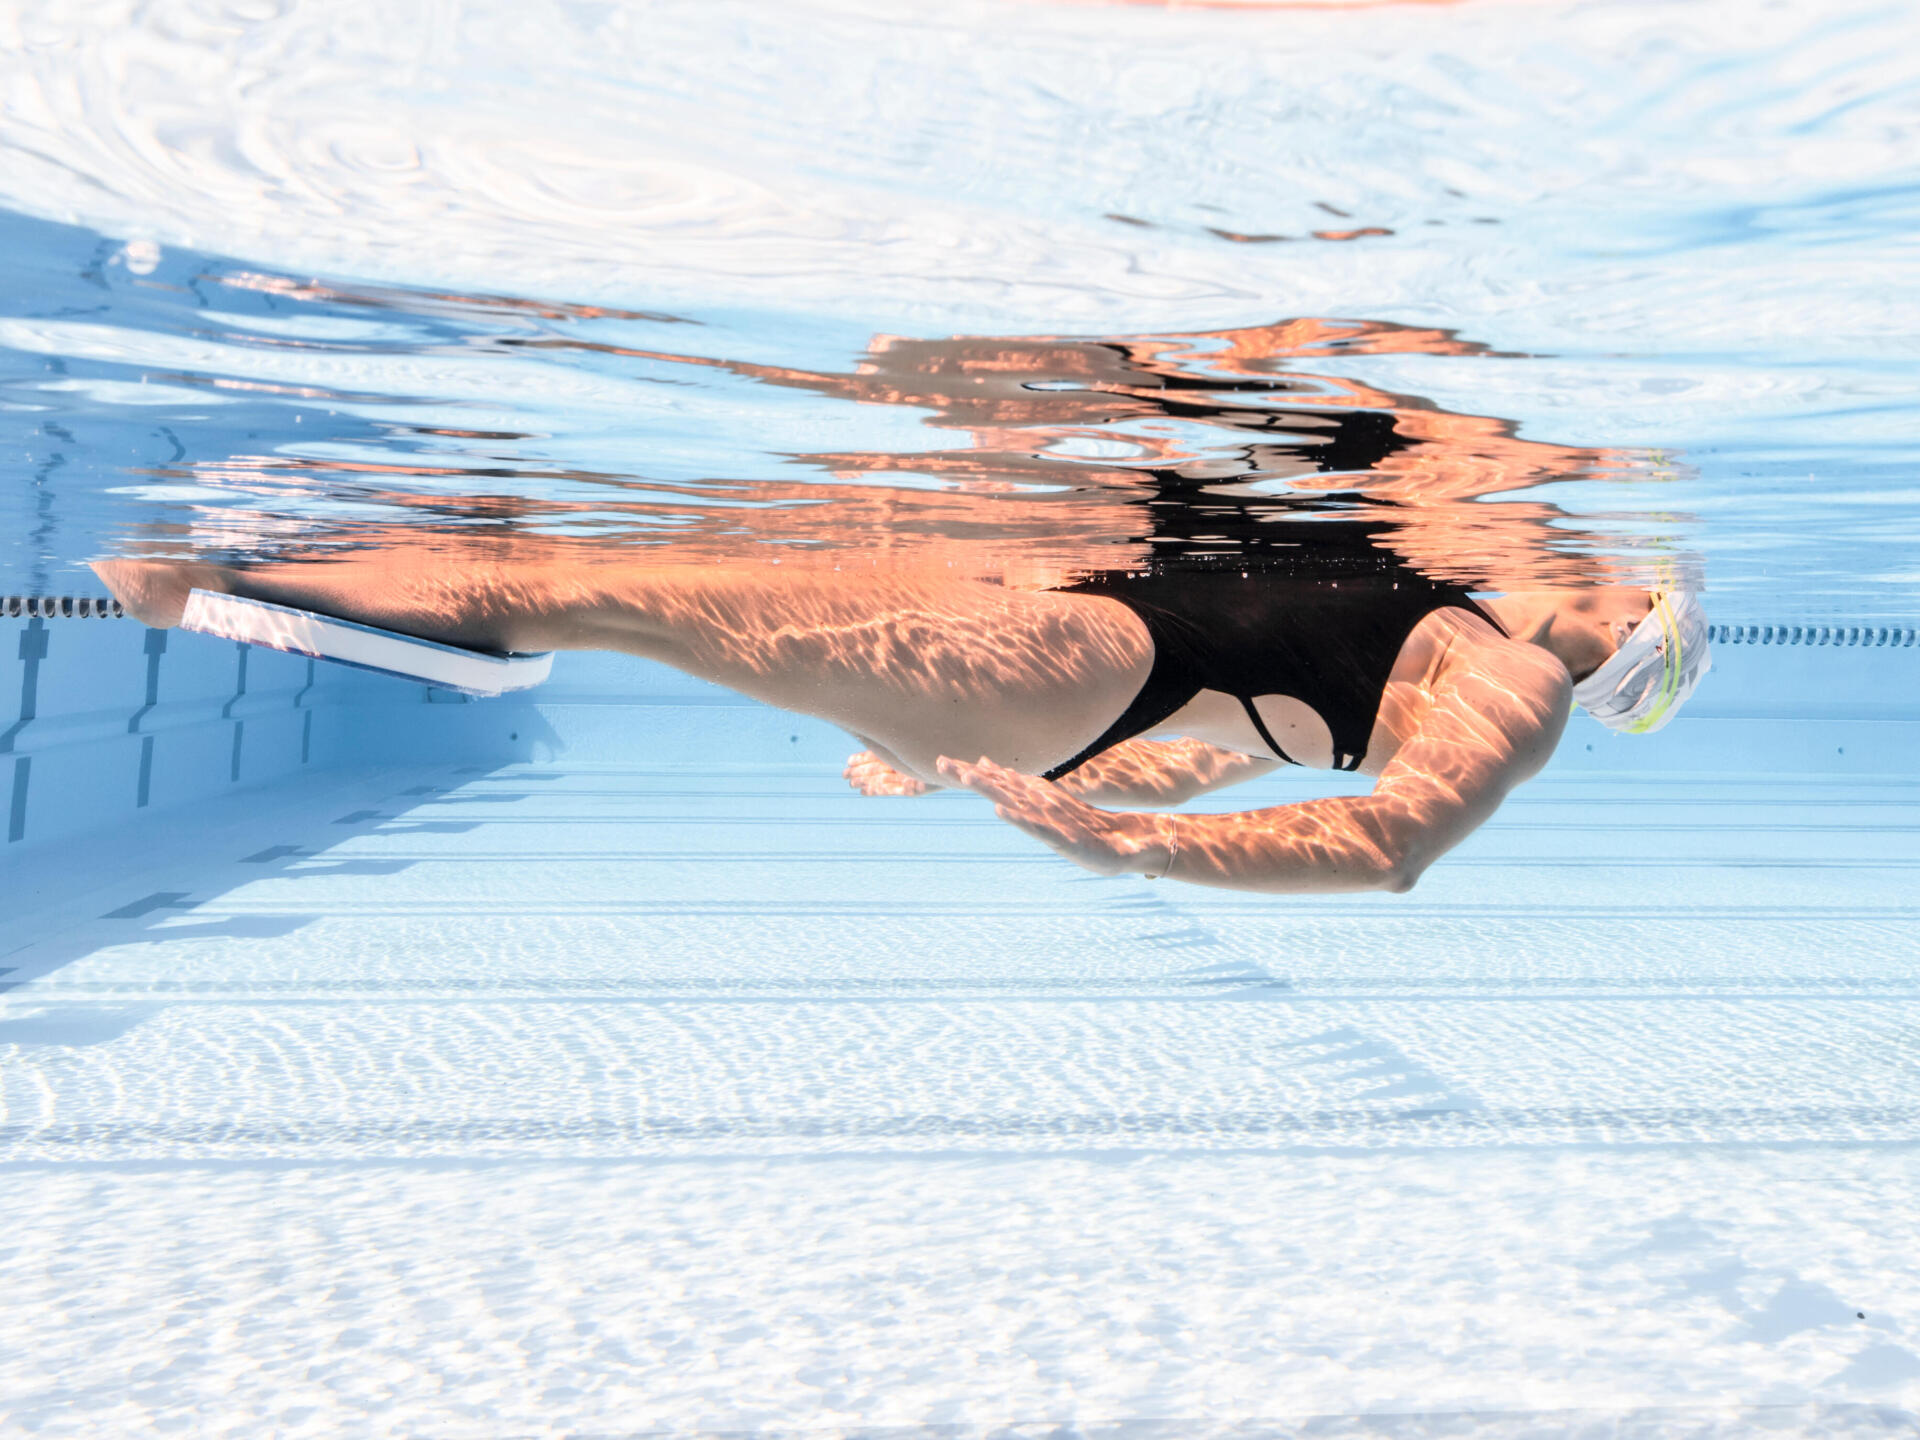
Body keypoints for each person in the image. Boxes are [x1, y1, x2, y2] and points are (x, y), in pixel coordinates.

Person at [94, 534, 1708, 895]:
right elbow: (1232, 738)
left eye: (1646, 585)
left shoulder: (1513, 683)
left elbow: (1391, 840)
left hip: (1074, 658)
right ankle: (449, 623)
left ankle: (246, 583)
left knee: (618, 590)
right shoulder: (1465, 622)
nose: (1624, 565)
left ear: (1629, 629)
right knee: (637, 591)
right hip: (1072, 662)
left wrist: (1145, 861)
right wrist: (987, 783)